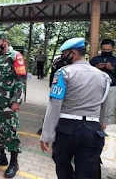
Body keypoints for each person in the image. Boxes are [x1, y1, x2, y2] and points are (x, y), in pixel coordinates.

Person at [40, 38, 111, 179]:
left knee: (63, 169)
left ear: (73, 53)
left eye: (64, 53)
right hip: (93, 130)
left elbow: (55, 106)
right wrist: (101, 126)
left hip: (67, 130)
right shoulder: (103, 76)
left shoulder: (63, 73)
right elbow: (104, 104)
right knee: (88, 173)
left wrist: (46, 135)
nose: (61, 57)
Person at [0, 31, 26, 178]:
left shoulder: (16, 57)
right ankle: (1, 157)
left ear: (5, 40)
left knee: (10, 132)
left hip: (8, 103)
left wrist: (16, 101)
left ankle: (14, 163)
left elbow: (21, 80)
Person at [37, 55, 65, 135]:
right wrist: (52, 86)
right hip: (58, 88)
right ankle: (45, 129)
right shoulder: (58, 61)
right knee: (52, 108)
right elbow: (53, 74)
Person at [90, 39, 116, 124]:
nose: (106, 51)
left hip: (112, 88)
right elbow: (87, 73)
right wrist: (96, 67)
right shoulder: (95, 60)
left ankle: (109, 134)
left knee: (109, 112)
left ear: (113, 49)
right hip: (96, 87)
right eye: (104, 50)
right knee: (94, 110)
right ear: (101, 49)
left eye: (108, 50)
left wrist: (112, 69)